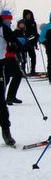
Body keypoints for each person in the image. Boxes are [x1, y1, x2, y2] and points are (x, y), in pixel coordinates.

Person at [0, 15, 17, 146]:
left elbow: (14, 42)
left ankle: (6, 131)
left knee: (0, 101)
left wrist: (13, 45)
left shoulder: (3, 28)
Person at [2, 11, 23, 105]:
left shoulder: (6, 28)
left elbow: (11, 40)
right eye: (8, 19)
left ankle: (11, 96)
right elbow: (9, 40)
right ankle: (8, 97)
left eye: (10, 19)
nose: (10, 21)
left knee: (16, 75)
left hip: (9, 56)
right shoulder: (3, 28)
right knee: (5, 78)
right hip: (4, 57)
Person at [21, 9, 39, 75]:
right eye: (27, 15)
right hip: (24, 43)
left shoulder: (33, 23)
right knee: (24, 58)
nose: (29, 16)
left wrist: (36, 39)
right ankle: (23, 71)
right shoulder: (22, 22)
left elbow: (35, 33)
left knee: (33, 57)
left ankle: (33, 70)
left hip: (31, 43)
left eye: (29, 15)